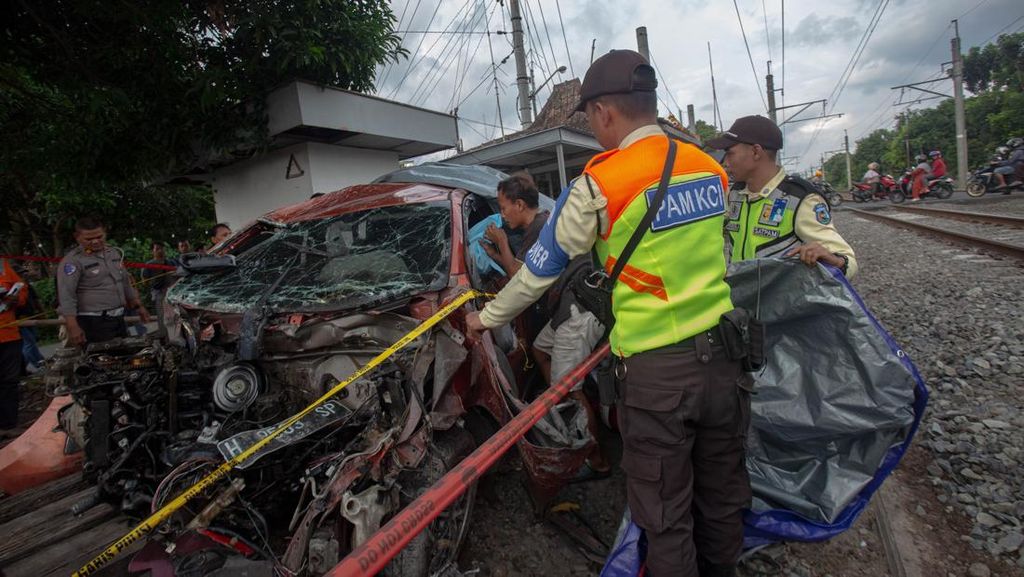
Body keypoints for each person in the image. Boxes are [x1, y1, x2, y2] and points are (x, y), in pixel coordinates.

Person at [467, 49, 750, 576]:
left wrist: (484, 319)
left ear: (602, 113)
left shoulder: (601, 183)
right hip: (726, 360)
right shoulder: (710, 168)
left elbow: (539, 271)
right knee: (722, 497)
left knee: (665, 516)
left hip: (658, 373)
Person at [709, 115, 858, 277]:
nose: (725, 162)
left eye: (730, 153)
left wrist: (835, 261)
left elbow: (849, 263)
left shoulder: (800, 199)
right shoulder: (734, 194)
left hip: (781, 301)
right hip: (738, 298)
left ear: (755, 151)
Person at [57, 216, 151, 346]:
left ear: (105, 233)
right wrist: (72, 326)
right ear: (77, 237)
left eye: (99, 237)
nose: (95, 241)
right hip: (92, 322)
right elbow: (66, 295)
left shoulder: (113, 253)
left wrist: (138, 306)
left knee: (123, 358)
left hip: (118, 317)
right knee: (103, 361)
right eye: (89, 239)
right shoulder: (72, 261)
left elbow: (125, 282)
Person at [480, 174, 549, 278]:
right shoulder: (541, 220)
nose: (502, 215)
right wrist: (494, 255)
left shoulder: (538, 228)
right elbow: (521, 267)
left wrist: (501, 241)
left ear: (519, 205)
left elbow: (518, 276)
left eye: (503, 209)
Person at [0, 258, 28, 436]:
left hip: (8, 335)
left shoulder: (3, 265)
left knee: (9, 382)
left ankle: (8, 426)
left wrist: (15, 297)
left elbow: (22, 290)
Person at [142, 241, 173, 336]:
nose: (160, 251)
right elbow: (144, 281)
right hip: (159, 293)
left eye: (162, 248)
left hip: (172, 293)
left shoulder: (170, 262)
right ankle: (164, 337)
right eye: (157, 249)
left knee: (173, 316)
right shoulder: (149, 264)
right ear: (153, 251)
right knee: (162, 316)